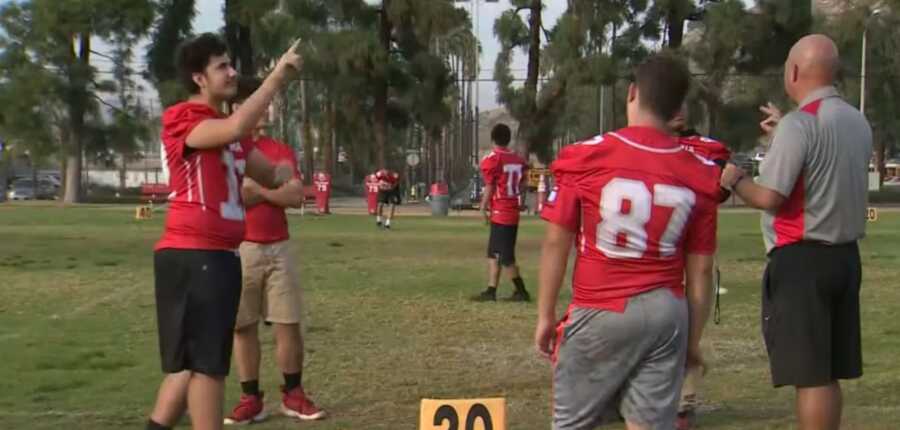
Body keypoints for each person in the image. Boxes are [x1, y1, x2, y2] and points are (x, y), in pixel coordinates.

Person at [534, 54, 719, 430]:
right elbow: (700, 270)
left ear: (632, 93)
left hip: (601, 306)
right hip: (667, 312)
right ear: (677, 108)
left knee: (572, 423)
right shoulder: (699, 172)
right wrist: (693, 339)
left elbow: (557, 243)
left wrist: (545, 314)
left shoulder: (587, 156)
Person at [146, 34, 302, 430]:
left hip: (219, 256)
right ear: (199, 79)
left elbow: (267, 172)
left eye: (231, 64)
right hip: (195, 254)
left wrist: (281, 172)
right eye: (222, 66)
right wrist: (275, 79)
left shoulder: (229, 131)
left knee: (189, 365)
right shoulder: (184, 117)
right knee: (209, 367)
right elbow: (235, 129)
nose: (232, 72)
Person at [720, 34, 871, 430]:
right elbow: (821, 173)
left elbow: (771, 196)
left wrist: (734, 179)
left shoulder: (800, 124)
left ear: (794, 71)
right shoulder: (857, 120)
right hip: (845, 256)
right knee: (830, 370)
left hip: (803, 259)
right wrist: (779, 137)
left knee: (810, 376)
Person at [223, 77, 325, 425]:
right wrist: (270, 186)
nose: (264, 108)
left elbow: (296, 196)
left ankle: (293, 394)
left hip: (279, 247)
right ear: (236, 108)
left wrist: (261, 191)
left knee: (288, 324)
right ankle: (250, 398)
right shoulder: (226, 148)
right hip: (240, 248)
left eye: (266, 102)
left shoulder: (280, 149)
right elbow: (236, 195)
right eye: (256, 101)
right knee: (243, 326)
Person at [669, 105, 732, 430]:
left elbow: (720, 190)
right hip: (654, 253)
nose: (678, 109)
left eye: (683, 102)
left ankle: (684, 403)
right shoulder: (647, 144)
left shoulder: (710, 150)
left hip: (695, 254)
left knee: (689, 328)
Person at [471, 123, 531, 302]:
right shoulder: (518, 159)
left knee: (505, 256)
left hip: (501, 210)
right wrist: (517, 194)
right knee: (493, 253)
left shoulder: (493, 159)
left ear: (492, 138)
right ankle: (491, 290)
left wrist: (483, 207)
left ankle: (521, 291)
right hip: (511, 209)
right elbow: (524, 181)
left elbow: (490, 186)